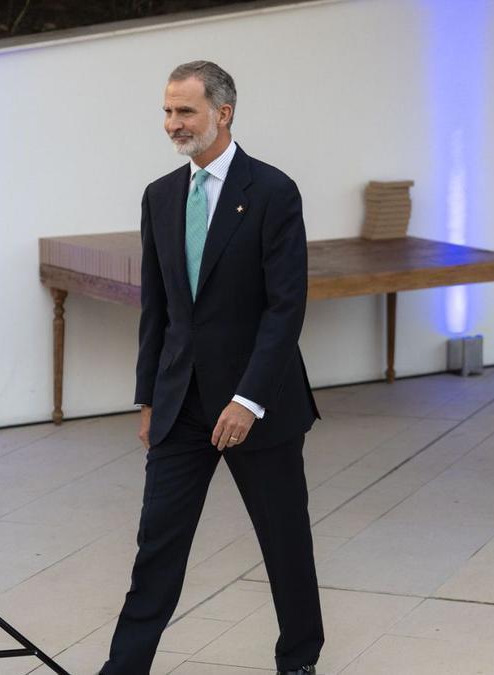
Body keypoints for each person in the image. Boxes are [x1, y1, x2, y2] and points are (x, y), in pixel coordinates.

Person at [99, 61, 323, 675]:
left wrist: (248, 400)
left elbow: (285, 308)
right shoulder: (160, 196)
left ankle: (299, 659)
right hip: (181, 406)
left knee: (284, 544)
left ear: (223, 113)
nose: (173, 124)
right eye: (168, 111)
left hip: (259, 403)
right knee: (157, 550)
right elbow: (159, 308)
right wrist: (148, 397)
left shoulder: (274, 191)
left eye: (185, 111)